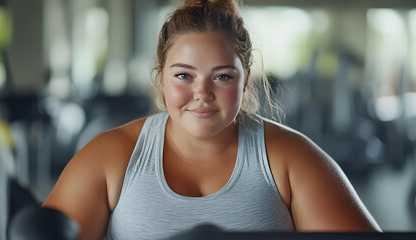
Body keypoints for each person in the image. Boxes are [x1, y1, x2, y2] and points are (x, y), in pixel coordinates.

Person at [42, 0, 382, 239]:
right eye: (184, 76)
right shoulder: (111, 156)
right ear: (161, 76)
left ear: (245, 79)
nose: (201, 93)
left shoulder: (290, 158)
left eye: (221, 77)